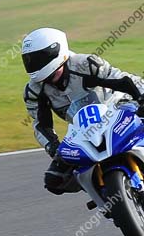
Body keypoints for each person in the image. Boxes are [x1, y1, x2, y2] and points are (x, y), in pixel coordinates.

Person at [21, 27, 144, 194]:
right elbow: (41, 126)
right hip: (84, 130)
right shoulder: (34, 91)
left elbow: (123, 80)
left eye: (38, 58)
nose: (33, 64)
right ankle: (106, 195)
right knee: (54, 180)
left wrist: (141, 96)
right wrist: (54, 147)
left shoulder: (86, 64)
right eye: (29, 60)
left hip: (119, 110)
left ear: (56, 51)